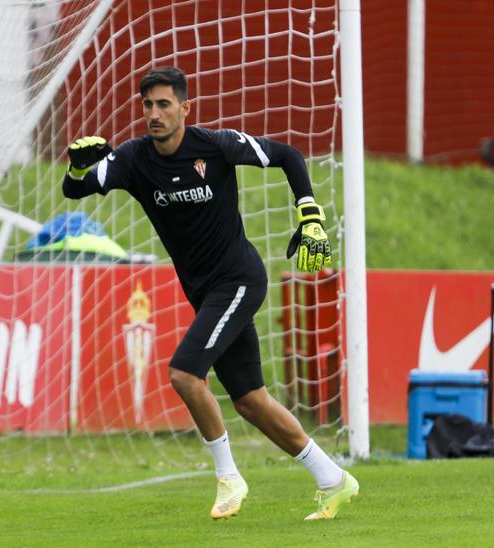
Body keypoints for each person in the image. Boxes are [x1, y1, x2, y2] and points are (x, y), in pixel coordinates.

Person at [61, 66, 358, 521]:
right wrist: (78, 164)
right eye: (148, 105)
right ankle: (333, 479)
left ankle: (228, 478)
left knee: (183, 373)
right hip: (205, 292)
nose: (155, 114)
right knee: (250, 400)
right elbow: (74, 188)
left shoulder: (215, 146)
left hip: (239, 280)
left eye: (164, 104)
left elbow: (289, 156)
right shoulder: (134, 158)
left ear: (185, 107)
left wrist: (309, 215)